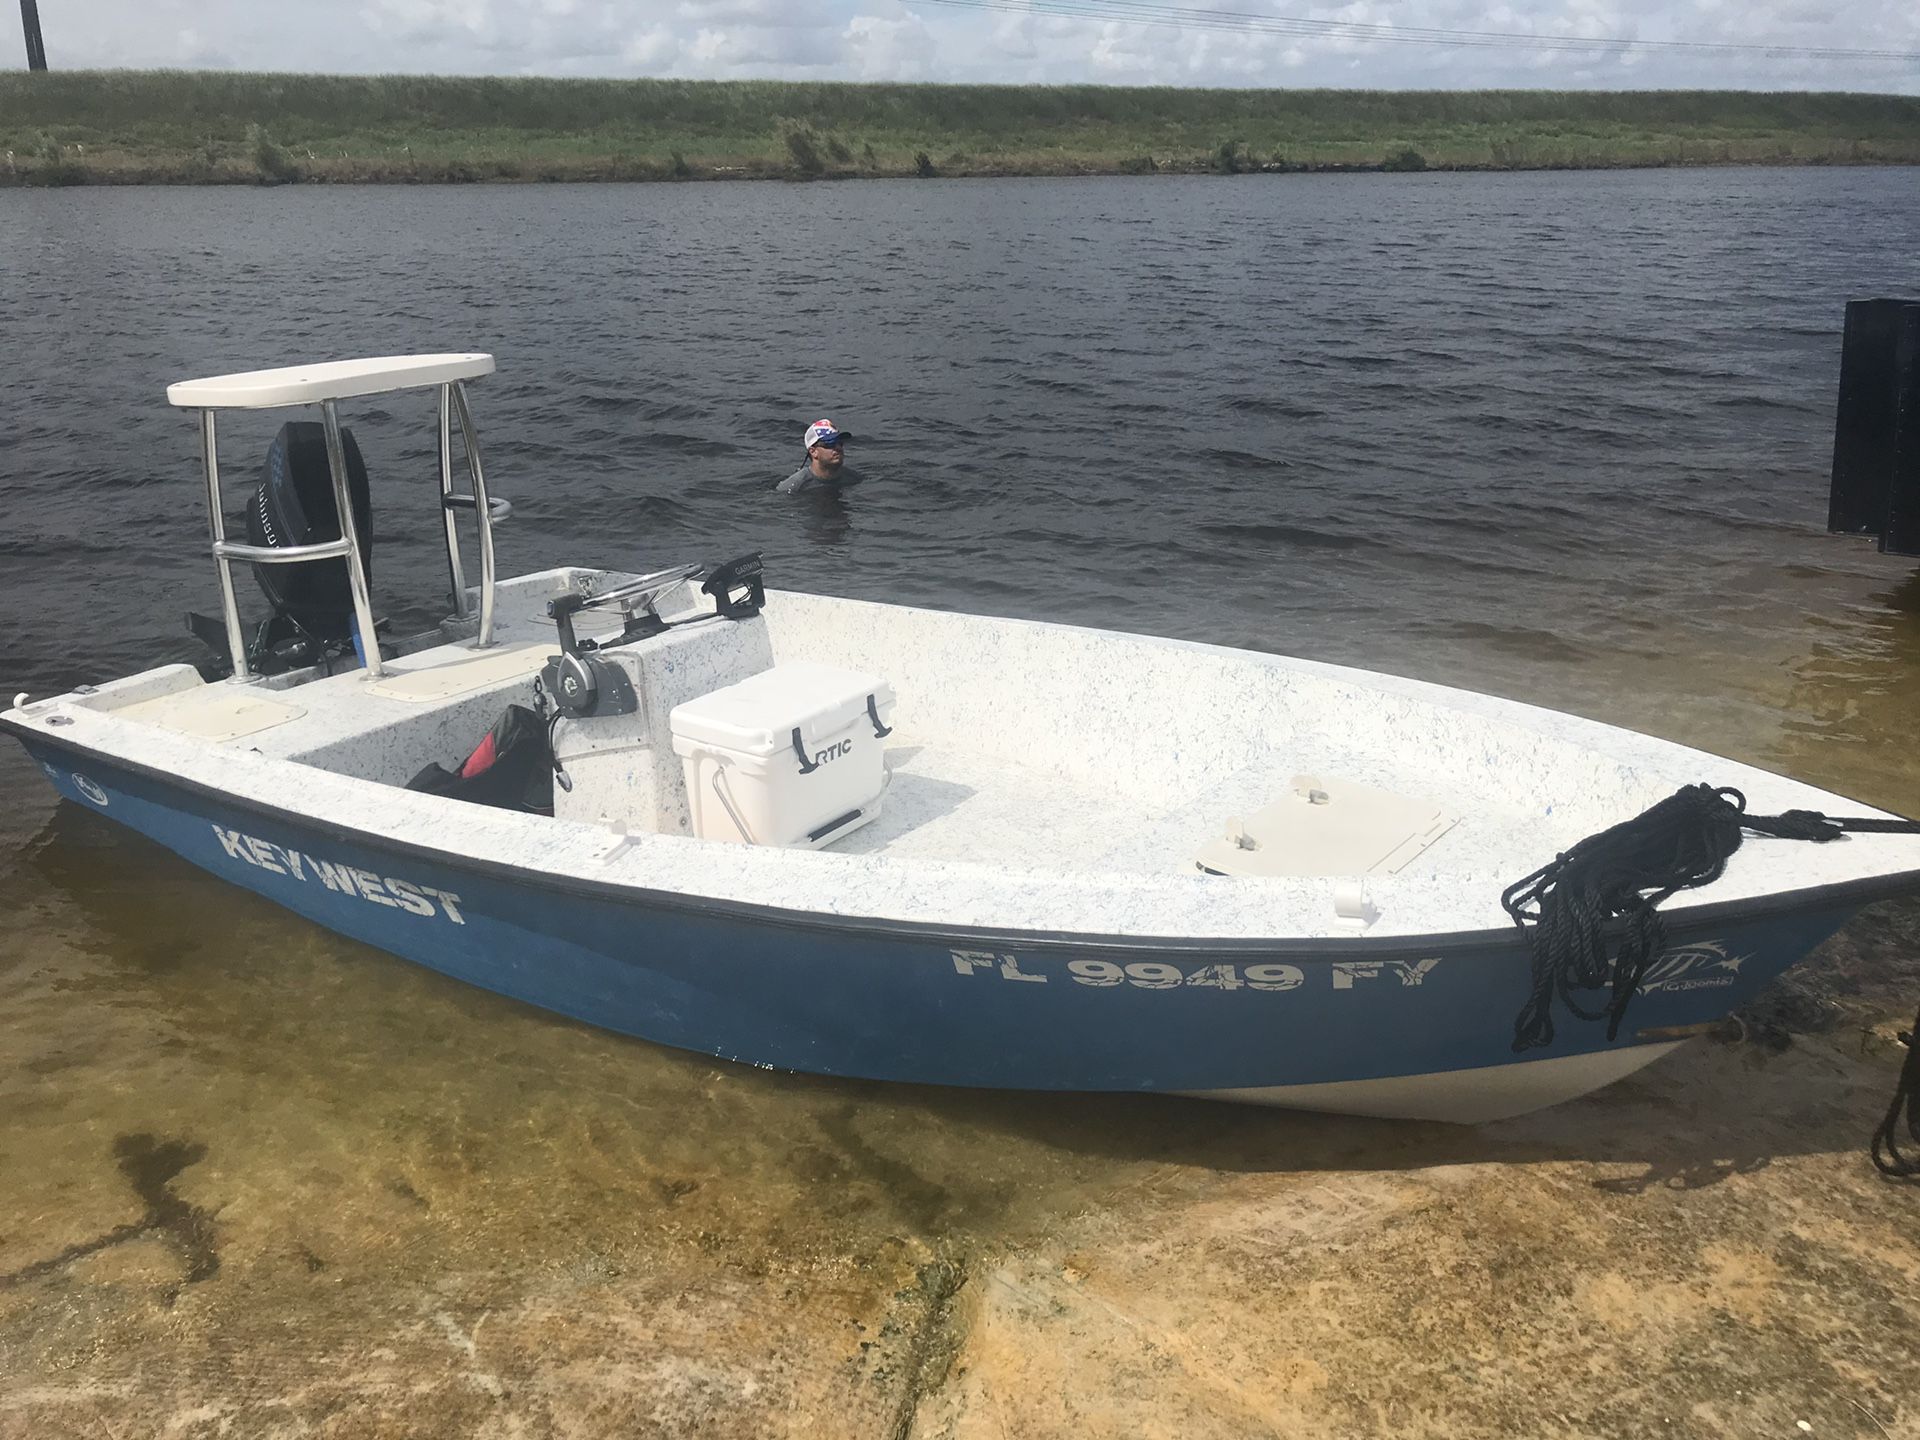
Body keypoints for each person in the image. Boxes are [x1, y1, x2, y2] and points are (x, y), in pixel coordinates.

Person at [776, 419, 862, 494]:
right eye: (830, 444)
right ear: (813, 452)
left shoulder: (855, 478)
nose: (838, 448)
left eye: (840, 443)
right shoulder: (794, 486)